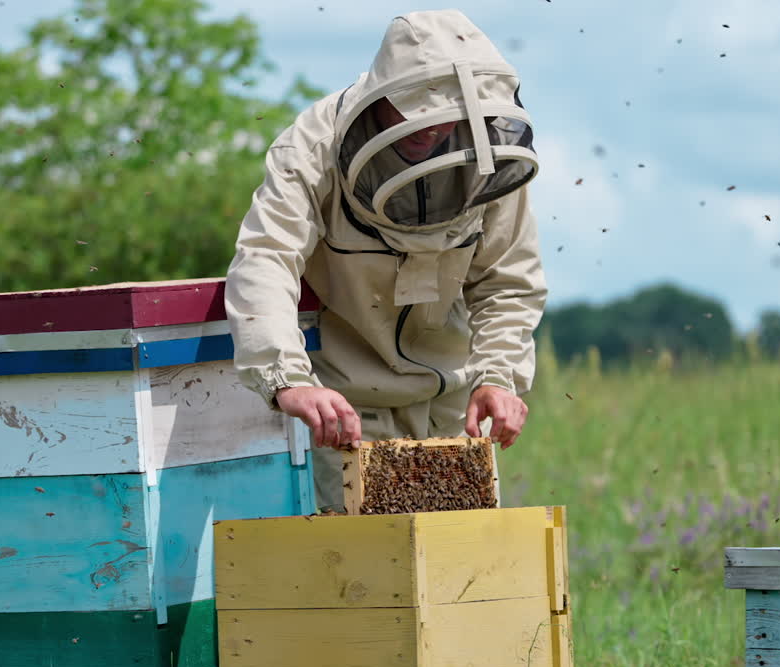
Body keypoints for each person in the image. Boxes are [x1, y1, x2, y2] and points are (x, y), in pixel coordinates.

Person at [225, 9, 546, 513]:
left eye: (448, 113)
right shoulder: (311, 150)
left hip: (453, 403)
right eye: (415, 108)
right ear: (380, 93)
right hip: (345, 410)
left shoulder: (487, 155)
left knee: (459, 578)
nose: (434, 127)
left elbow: (508, 281)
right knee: (364, 579)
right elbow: (266, 260)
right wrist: (287, 379)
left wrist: (497, 377)